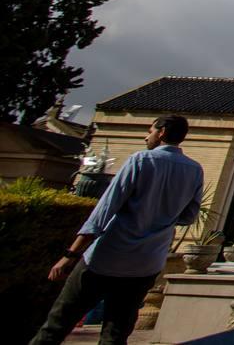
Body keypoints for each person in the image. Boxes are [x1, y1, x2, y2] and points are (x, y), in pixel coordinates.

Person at [31, 115, 204, 345]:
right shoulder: (195, 170)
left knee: (57, 325)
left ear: (161, 132)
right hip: (147, 263)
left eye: (150, 130)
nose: (146, 135)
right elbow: (189, 216)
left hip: (107, 257)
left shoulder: (140, 161)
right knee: (116, 334)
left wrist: (70, 254)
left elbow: (104, 211)